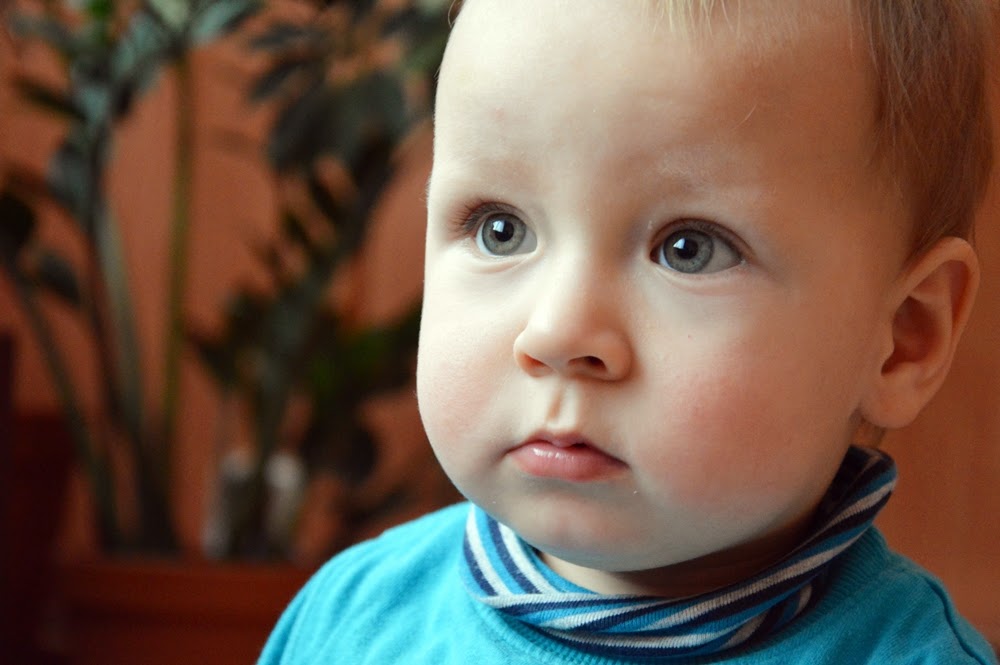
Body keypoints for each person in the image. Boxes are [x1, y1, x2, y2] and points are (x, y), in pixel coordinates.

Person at [259, 0, 999, 662]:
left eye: (689, 249)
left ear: (903, 337)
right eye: (499, 228)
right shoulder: (349, 622)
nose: (556, 333)